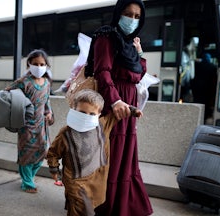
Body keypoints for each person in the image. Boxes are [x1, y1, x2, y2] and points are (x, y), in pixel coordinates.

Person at [85, 0, 153, 215]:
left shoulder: (130, 44)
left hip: (127, 105)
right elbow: (102, 71)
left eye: (136, 16)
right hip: (112, 104)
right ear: (118, 13)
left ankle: (122, 206)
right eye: (127, 13)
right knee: (111, 156)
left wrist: (140, 54)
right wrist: (115, 101)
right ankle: (105, 206)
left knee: (124, 156)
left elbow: (138, 75)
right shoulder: (107, 37)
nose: (132, 19)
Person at [47, 89, 142, 215]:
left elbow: (118, 112)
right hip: (75, 181)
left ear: (99, 114)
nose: (86, 116)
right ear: (73, 110)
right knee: (84, 210)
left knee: (85, 206)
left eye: (92, 114)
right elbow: (53, 153)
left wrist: (133, 110)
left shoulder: (102, 125)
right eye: (82, 112)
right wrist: (54, 169)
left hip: (97, 179)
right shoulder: (66, 133)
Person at [5, 49, 54, 193]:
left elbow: (47, 100)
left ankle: (30, 177)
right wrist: (19, 108)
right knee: (26, 153)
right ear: (29, 64)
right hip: (26, 125)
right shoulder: (23, 82)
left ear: (46, 65)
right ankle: (27, 183)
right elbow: (6, 94)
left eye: (42, 64)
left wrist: (49, 112)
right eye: (35, 64)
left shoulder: (46, 82)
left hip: (42, 125)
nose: (38, 67)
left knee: (43, 151)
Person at [191, 52, 217, 123]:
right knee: (205, 107)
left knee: (197, 104)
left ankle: (195, 119)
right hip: (207, 91)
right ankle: (202, 120)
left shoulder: (197, 66)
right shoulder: (213, 67)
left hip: (197, 90)